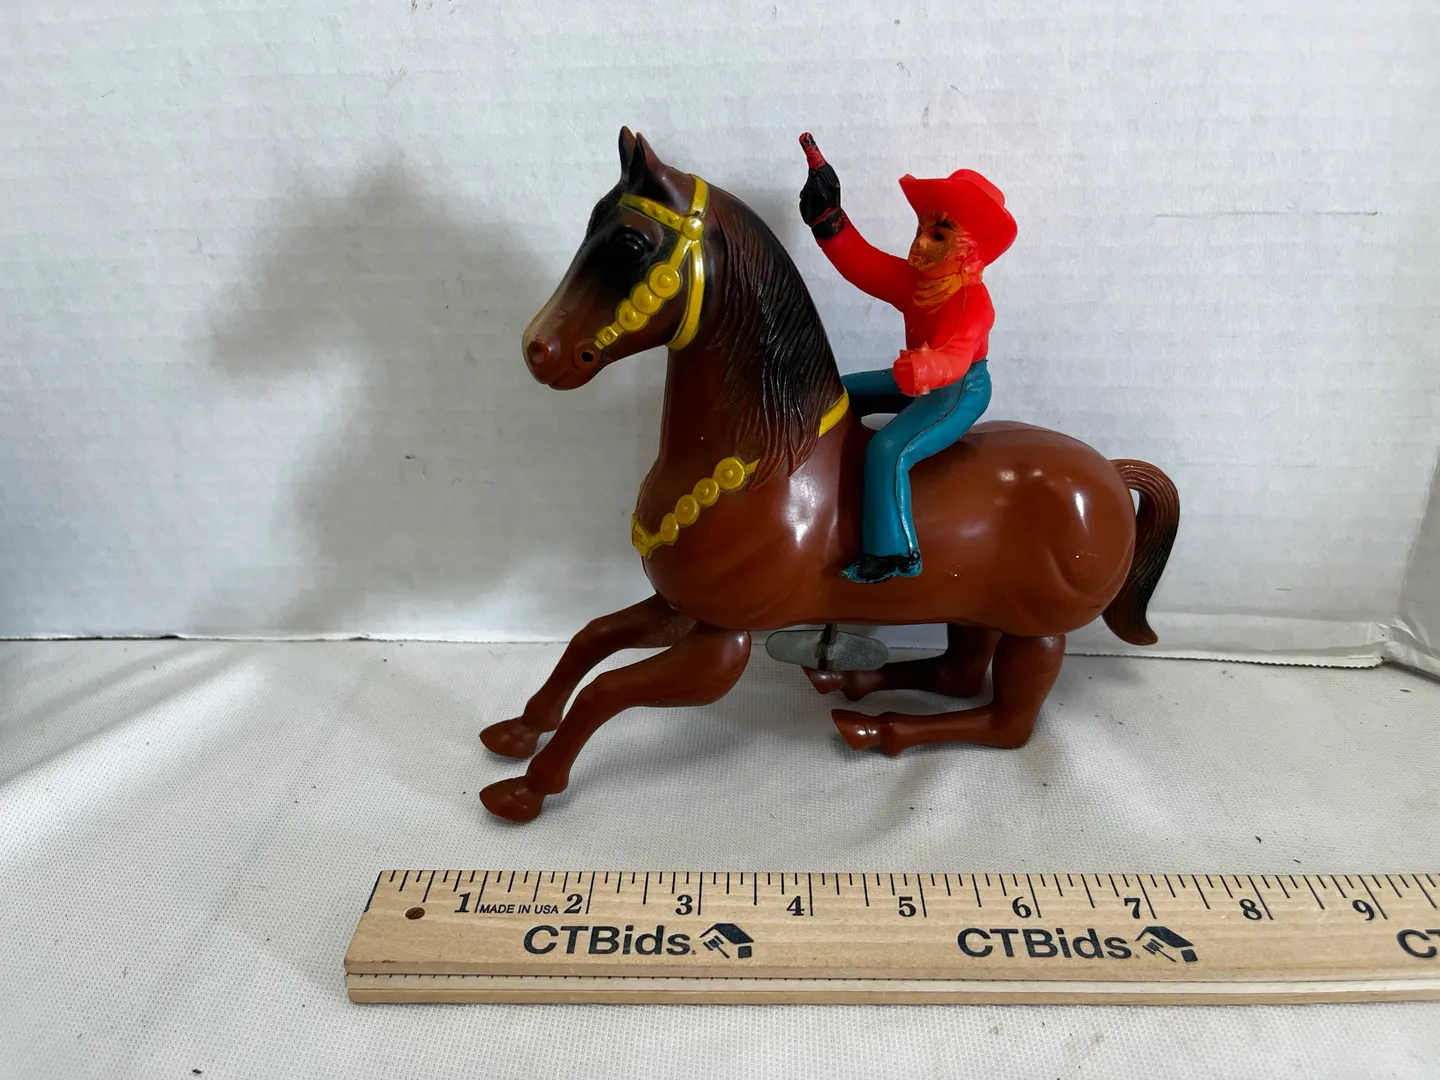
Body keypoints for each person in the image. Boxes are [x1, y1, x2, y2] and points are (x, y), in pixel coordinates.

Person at [799, 133, 1017, 584]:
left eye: (938, 235)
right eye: (920, 229)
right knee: (838, 392)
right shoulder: (917, 283)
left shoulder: (973, 302)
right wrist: (828, 218)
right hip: (917, 375)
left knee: (888, 449)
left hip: (960, 389)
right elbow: (864, 263)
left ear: (969, 249)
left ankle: (894, 553)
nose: (919, 244)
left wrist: (927, 368)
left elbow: (958, 354)